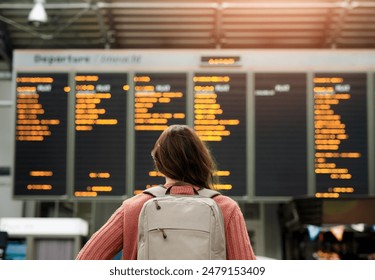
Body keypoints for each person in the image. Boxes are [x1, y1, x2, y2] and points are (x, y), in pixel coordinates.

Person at [76, 124, 256, 260]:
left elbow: (86, 260)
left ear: (159, 163)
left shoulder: (133, 207)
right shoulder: (226, 208)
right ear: (202, 161)